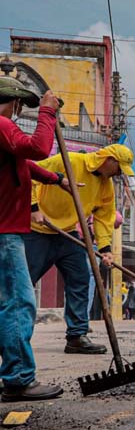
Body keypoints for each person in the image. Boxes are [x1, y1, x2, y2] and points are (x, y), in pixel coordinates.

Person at [0, 80, 71, 401]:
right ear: (13, 103)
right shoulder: (0, 124)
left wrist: (56, 179)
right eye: (19, 107)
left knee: (8, 305)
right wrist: (47, 112)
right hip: (5, 234)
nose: (19, 114)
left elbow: (24, 163)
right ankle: (18, 379)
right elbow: (37, 149)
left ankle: (14, 373)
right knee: (19, 304)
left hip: (7, 230)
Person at [28, 144, 135, 353]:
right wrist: (33, 208)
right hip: (37, 229)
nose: (119, 174)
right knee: (21, 283)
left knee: (80, 279)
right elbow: (29, 174)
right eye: (119, 168)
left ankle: (77, 336)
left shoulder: (106, 186)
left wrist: (105, 249)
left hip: (68, 233)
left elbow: (104, 218)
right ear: (109, 160)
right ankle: (9, 335)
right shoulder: (69, 161)